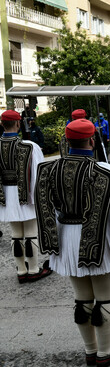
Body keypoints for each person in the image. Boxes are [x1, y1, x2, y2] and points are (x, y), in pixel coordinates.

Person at [36, 119, 110, 366]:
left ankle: (90, 349)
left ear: (66, 141)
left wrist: (54, 242)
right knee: (105, 298)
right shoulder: (109, 173)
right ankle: (106, 351)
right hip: (99, 240)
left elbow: (44, 210)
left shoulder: (48, 171)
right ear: (92, 141)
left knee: (82, 299)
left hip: (66, 239)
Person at [0, 110, 51, 284]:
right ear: (18, 124)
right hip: (26, 194)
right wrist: (41, 196)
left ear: (1, 124)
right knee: (30, 232)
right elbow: (39, 173)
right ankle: (34, 269)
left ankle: (21, 271)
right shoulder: (29, 146)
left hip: (6, 195)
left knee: (15, 233)